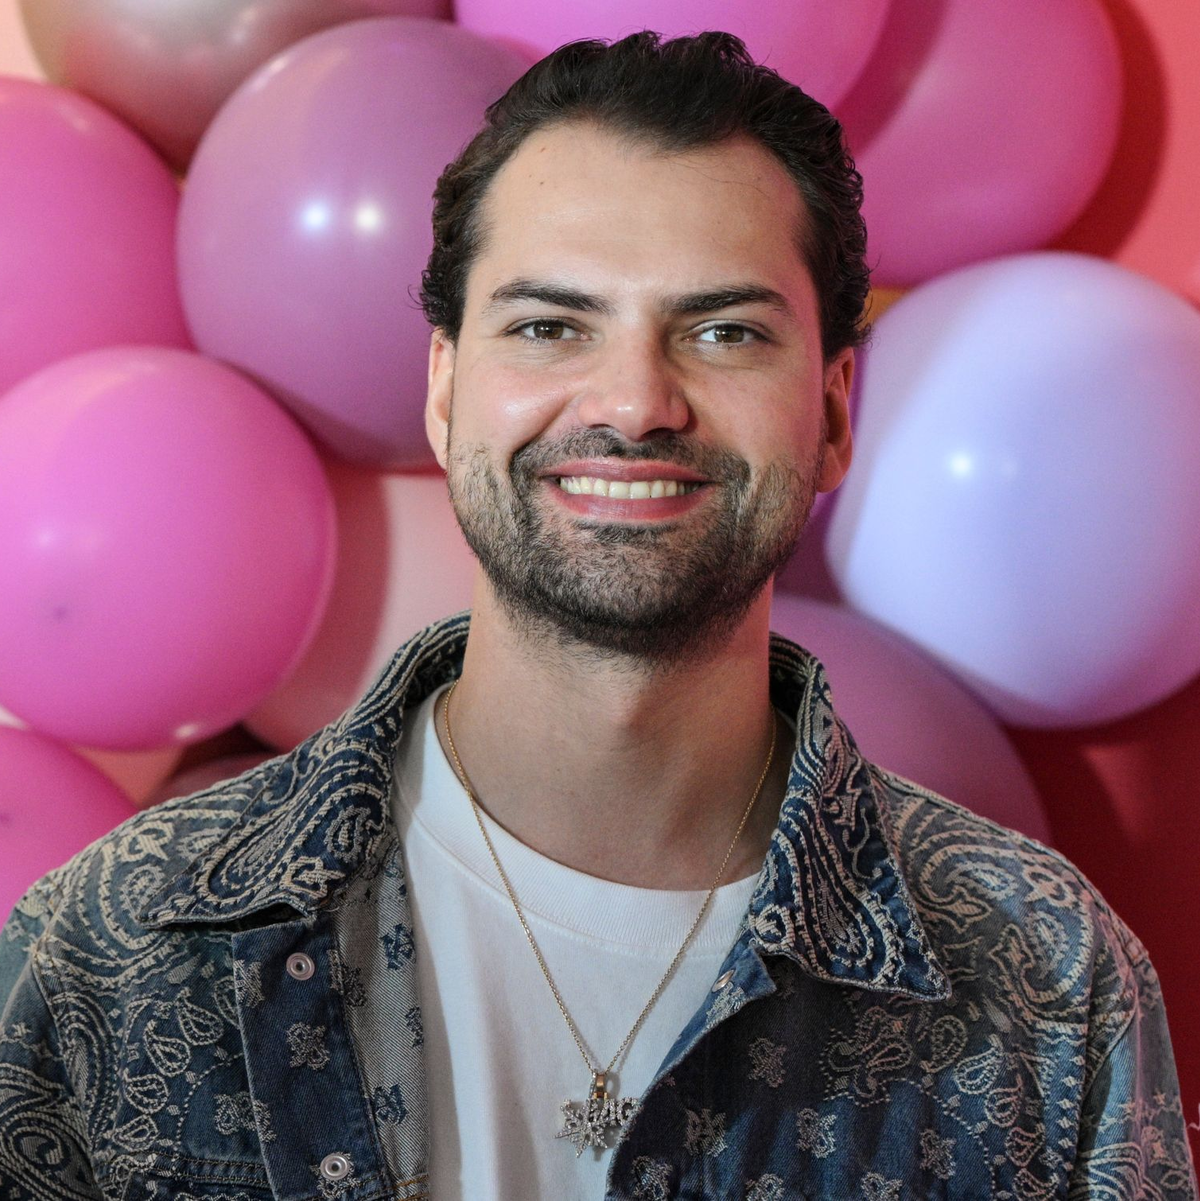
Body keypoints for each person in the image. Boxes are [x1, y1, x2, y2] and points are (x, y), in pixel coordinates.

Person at [1, 29, 1196, 1201]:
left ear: (832, 414)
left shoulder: (1046, 981)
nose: (634, 401)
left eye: (723, 330)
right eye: (549, 326)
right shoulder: (112, 951)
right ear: (446, 389)